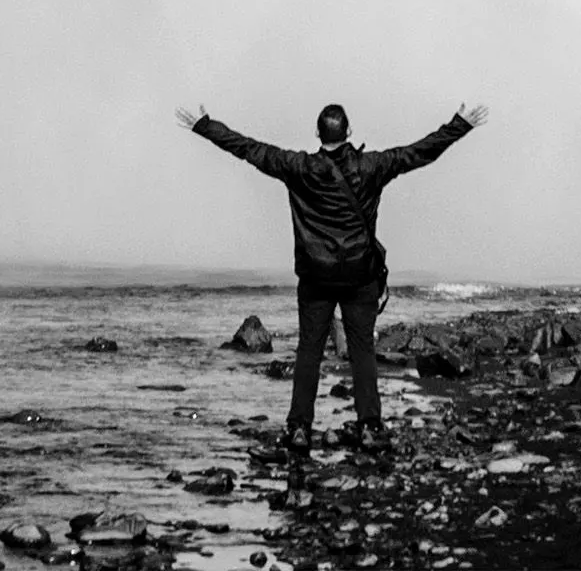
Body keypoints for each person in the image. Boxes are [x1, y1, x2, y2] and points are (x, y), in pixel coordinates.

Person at [175, 98, 488, 457]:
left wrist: (204, 126)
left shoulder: (298, 167)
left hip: (316, 277)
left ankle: (299, 429)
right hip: (359, 276)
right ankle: (370, 426)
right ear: (349, 132)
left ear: (317, 133)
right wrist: (459, 125)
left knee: (309, 351)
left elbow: (248, 149)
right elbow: (421, 152)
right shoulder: (373, 166)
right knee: (362, 351)